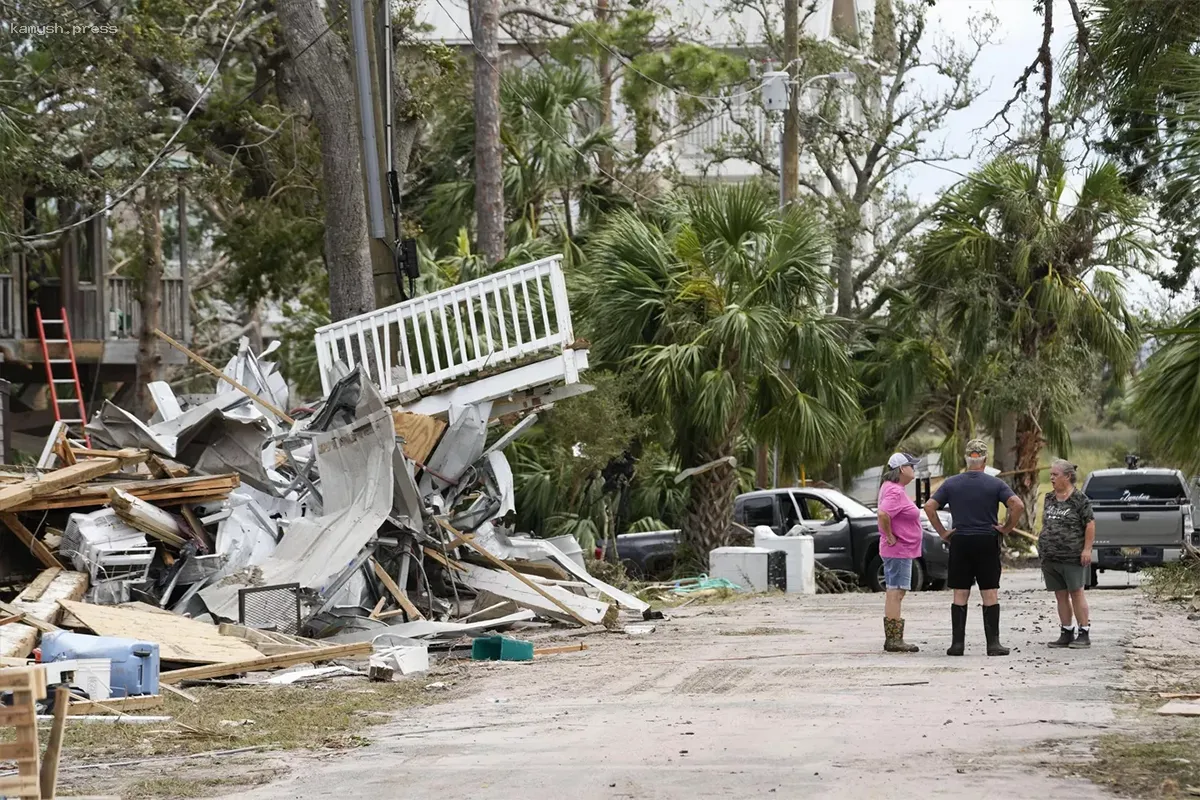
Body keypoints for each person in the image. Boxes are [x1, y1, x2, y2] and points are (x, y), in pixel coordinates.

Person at [923, 439, 1026, 657]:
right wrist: (1006, 527)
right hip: (986, 540)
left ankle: (957, 644)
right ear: (985, 460)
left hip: (960, 540)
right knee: (989, 591)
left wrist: (942, 532)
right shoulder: (995, 484)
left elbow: (930, 506)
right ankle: (993, 644)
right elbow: (1017, 504)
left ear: (966, 459)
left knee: (960, 591)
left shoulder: (952, 483)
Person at [1039, 459, 1095, 649]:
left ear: (1068, 476)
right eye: (1051, 474)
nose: (1051, 478)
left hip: (1072, 556)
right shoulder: (1049, 498)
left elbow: (1089, 524)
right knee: (1060, 595)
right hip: (1050, 556)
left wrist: (1087, 549)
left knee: (1076, 593)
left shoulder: (1080, 499)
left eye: (1055, 474)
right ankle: (1066, 631)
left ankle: (1084, 632)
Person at [878, 452, 923, 653]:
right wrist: (889, 535)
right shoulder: (895, 491)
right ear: (902, 469)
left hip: (900, 549)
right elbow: (883, 513)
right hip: (898, 549)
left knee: (896, 590)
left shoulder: (893, 488)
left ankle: (893, 637)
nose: (914, 469)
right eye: (911, 466)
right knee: (895, 591)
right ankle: (894, 640)